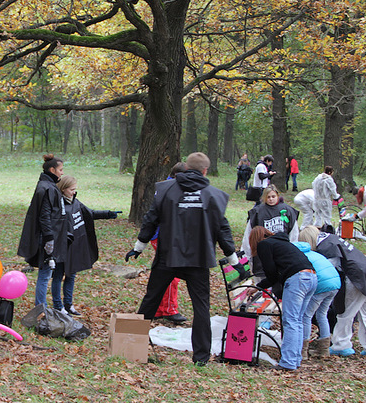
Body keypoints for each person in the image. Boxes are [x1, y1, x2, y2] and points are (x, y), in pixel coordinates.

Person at [125, 152, 243, 366]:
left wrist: (139, 247)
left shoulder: (166, 190)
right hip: (198, 260)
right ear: (205, 171)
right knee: (201, 307)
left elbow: (151, 219)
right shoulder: (213, 195)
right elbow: (222, 229)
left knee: (151, 300)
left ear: (186, 168)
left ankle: (130, 346)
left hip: (168, 257)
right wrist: (234, 259)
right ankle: (201, 358)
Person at [298, 227, 366, 358]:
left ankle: (341, 345)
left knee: (346, 313)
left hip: (355, 278)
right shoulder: (332, 239)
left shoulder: (326, 248)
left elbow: (329, 268)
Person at [248, 227, 317, 372]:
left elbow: (271, 274)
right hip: (311, 277)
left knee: (290, 321)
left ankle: (288, 362)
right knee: (297, 320)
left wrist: (258, 287)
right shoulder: (281, 242)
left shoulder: (264, 245)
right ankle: (295, 359)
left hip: (297, 279)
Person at [51, 175, 118, 316]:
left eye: (75, 189)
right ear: (63, 189)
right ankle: (58, 306)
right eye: (71, 189)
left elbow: (89, 213)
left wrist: (107, 214)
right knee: (58, 276)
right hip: (62, 248)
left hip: (75, 247)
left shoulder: (75, 202)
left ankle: (68, 305)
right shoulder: (58, 205)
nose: (74, 192)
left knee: (71, 275)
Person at [18, 154, 65, 307]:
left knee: (46, 274)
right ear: (52, 170)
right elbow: (44, 216)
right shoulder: (47, 188)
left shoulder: (48, 186)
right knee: (45, 275)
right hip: (45, 238)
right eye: (60, 170)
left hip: (49, 236)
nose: (62, 173)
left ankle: (41, 307)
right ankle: (40, 308)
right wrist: (49, 238)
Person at [150, 162, 187, 323]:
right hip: (163, 236)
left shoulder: (168, 186)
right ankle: (169, 309)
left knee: (163, 273)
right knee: (172, 274)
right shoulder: (171, 188)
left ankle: (159, 309)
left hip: (165, 235)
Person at [293, 235, 340, 359]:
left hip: (322, 286)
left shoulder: (300, 257)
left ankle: (303, 350)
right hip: (335, 284)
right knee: (322, 314)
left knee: (306, 315)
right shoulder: (315, 254)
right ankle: (324, 349)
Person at [240, 184, 300, 278]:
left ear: (278, 196)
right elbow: (249, 234)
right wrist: (246, 254)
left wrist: (292, 250)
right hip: (263, 252)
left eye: (273, 196)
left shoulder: (288, 210)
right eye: (268, 197)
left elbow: (294, 233)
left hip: (282, 251)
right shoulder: (257, 212)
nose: (271, 199)